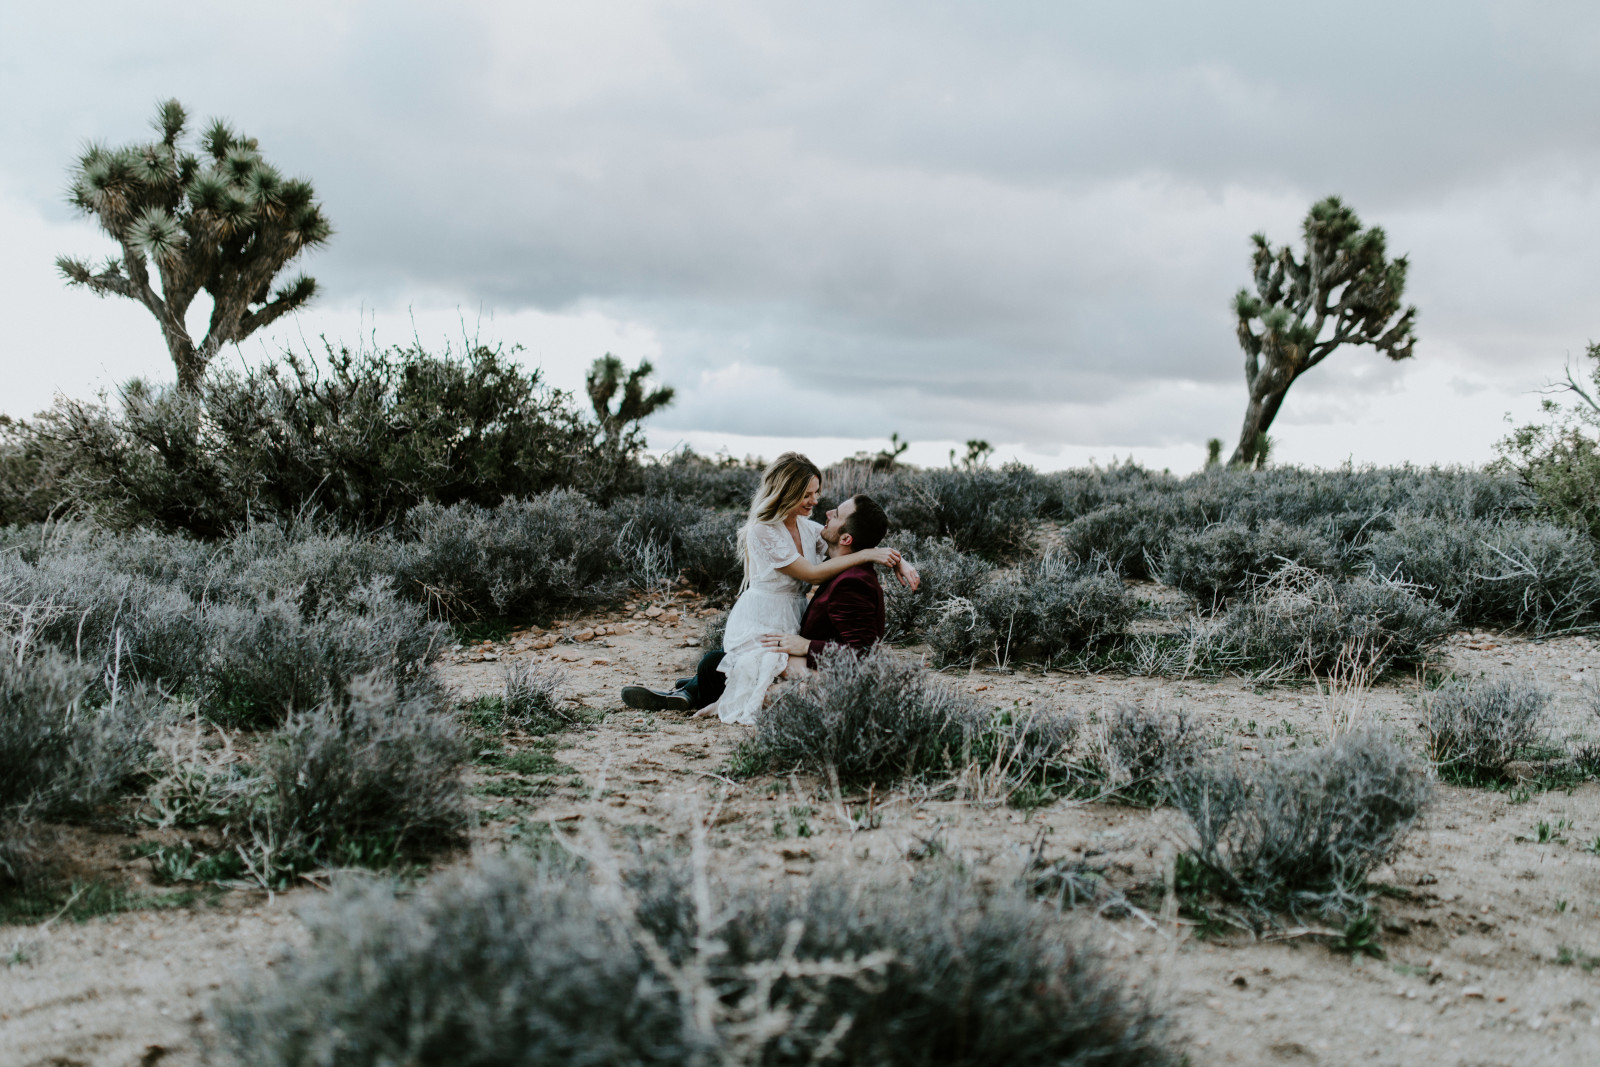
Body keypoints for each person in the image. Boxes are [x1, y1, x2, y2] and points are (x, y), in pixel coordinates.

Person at [619, 454, 915, 720]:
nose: (817, 503)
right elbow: (817, 570)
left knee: (739, 666)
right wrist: (869, 555)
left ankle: (689, 690)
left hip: (792, 612)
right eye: (807, 495)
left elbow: (851, 540)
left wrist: (894, 559)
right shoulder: (764, 529)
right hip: (763, 613)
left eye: (817, 493)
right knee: (747, 664)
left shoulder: (810, 529)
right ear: (787, 493)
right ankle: (689, 691)